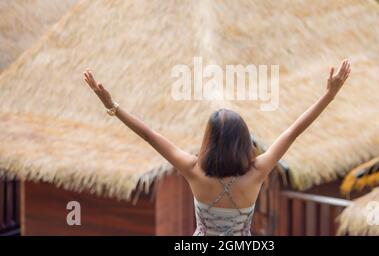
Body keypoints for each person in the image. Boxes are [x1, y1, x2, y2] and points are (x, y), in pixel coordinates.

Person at [84, 59, 351, 236]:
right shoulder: (257, 172)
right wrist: (329, 95)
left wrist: (112, 106)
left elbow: (148, 134)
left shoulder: (192, 169)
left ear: (208, 141)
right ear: (244, 142)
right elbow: (294, 132)